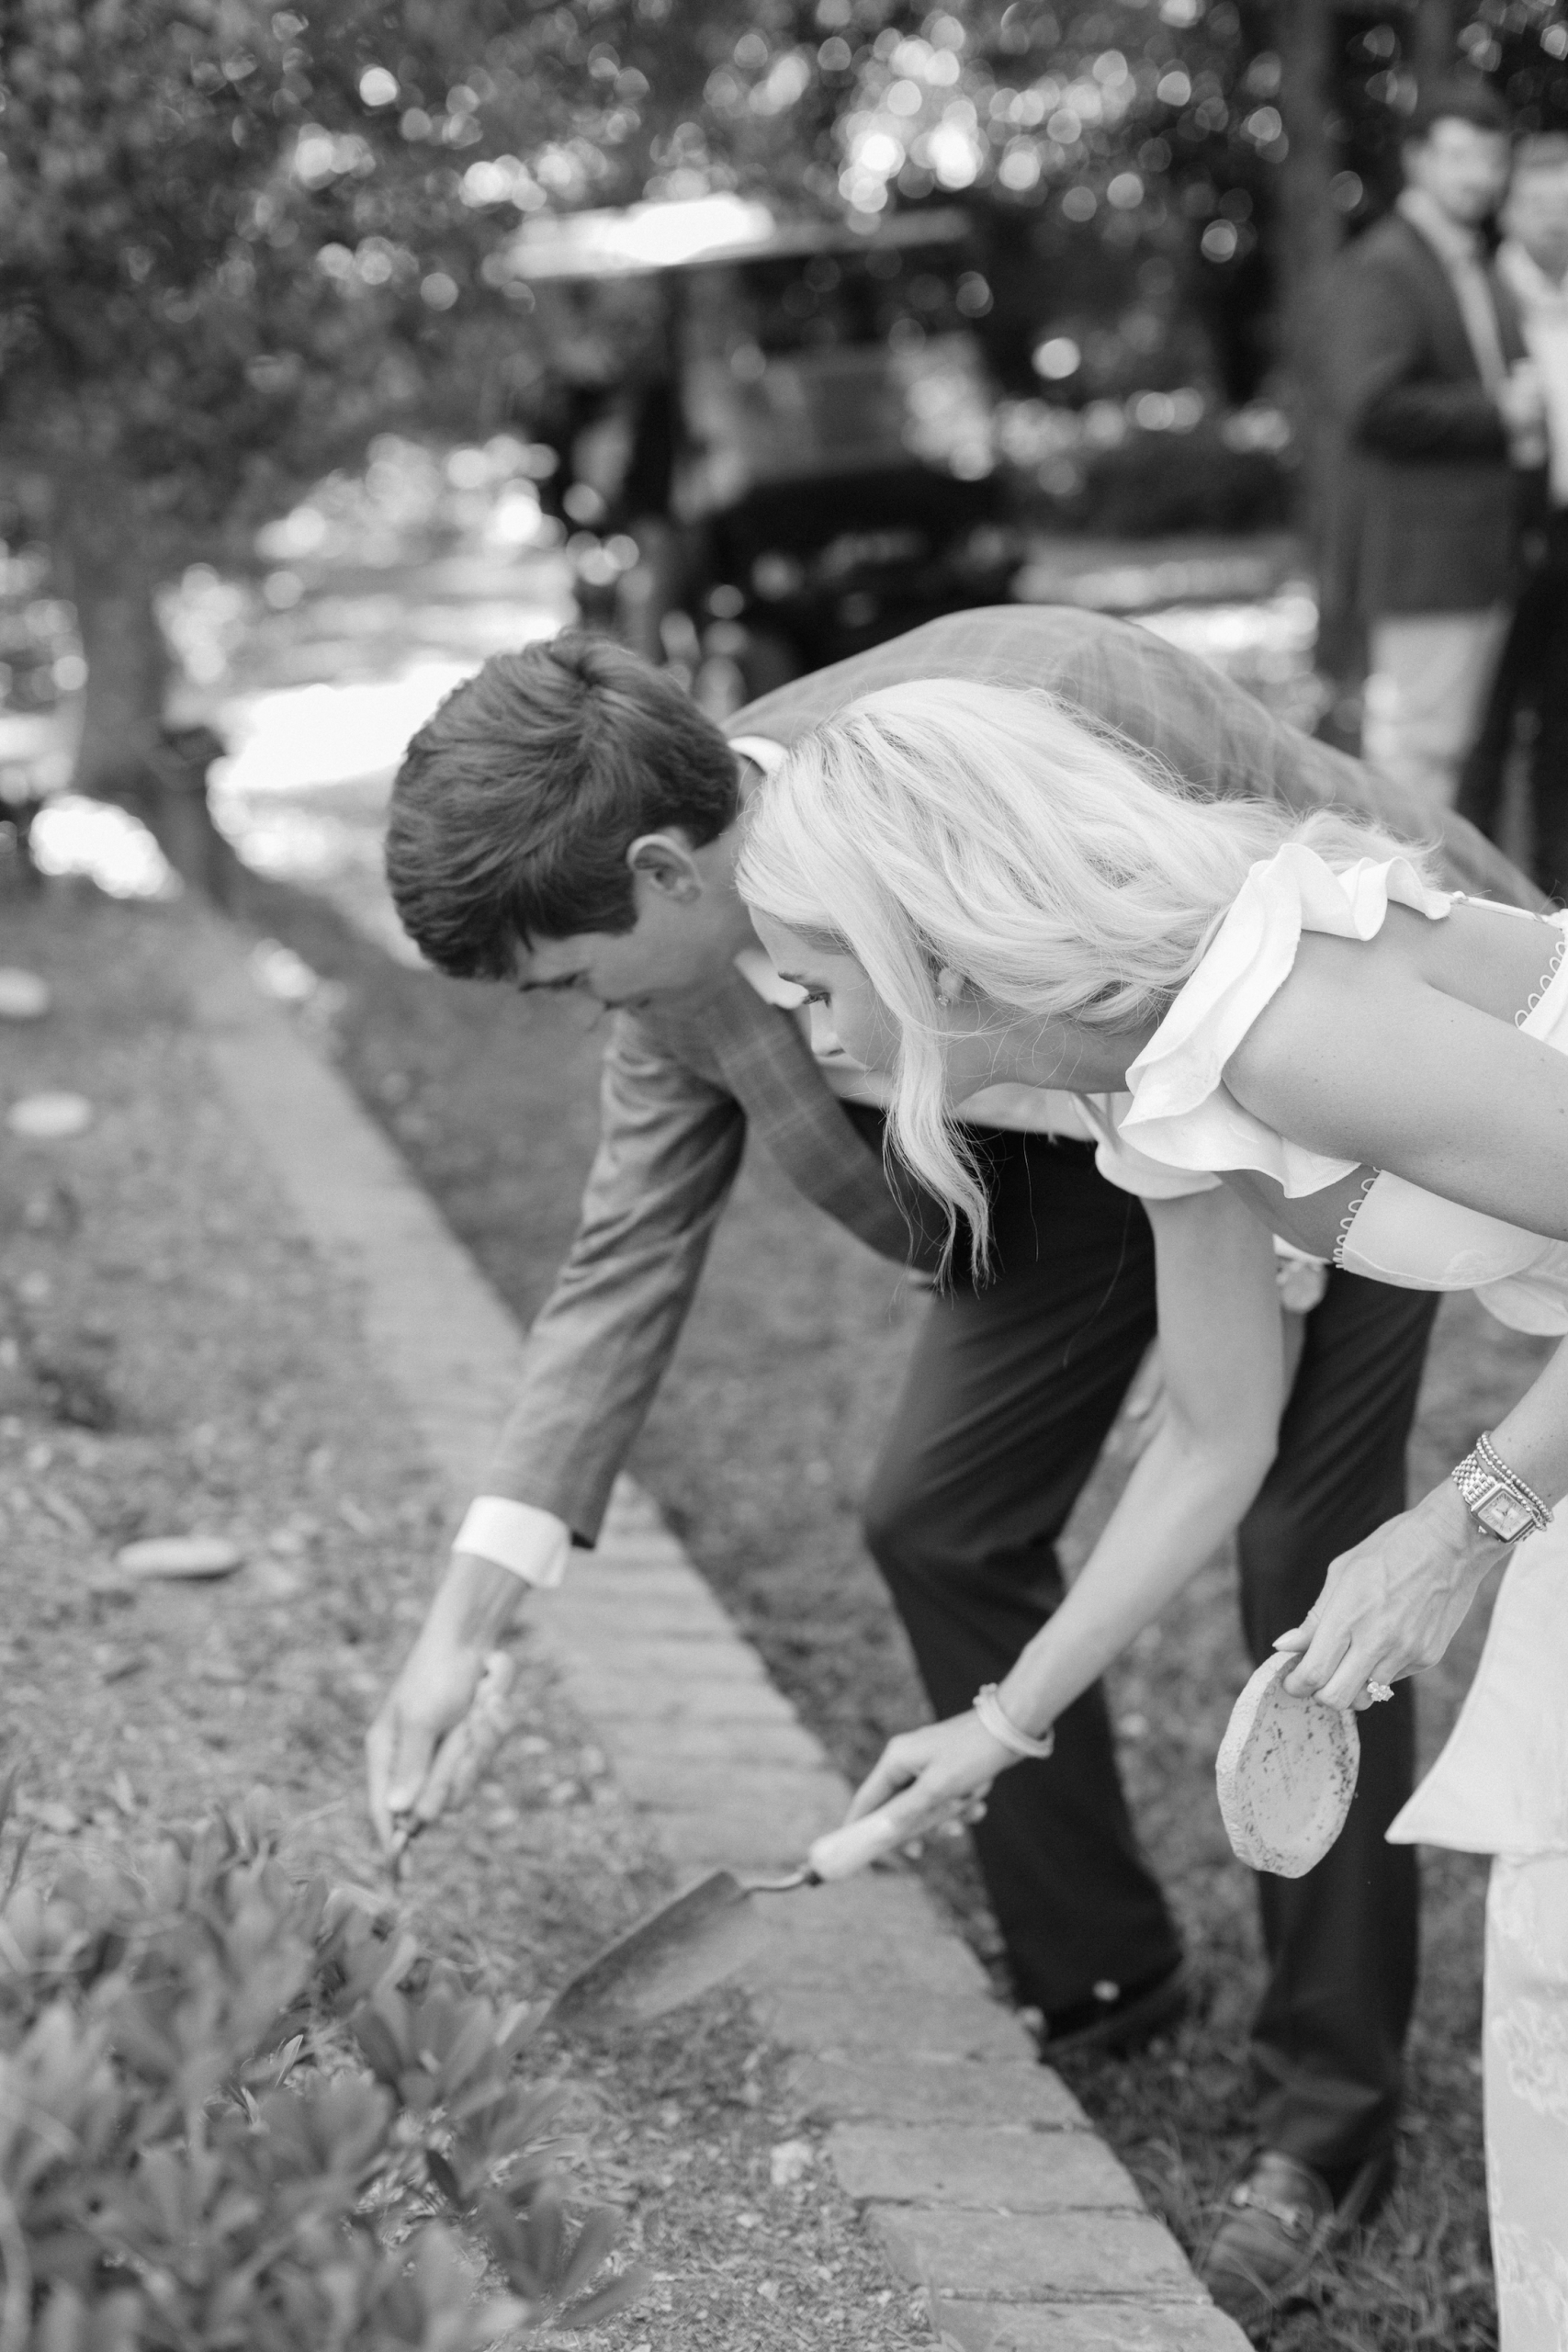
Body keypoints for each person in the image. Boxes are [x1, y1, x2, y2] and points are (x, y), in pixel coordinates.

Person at [366, 614, 1527, 2329]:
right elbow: (627, 1263)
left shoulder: (1035, 714)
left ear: (674, 874)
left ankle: (1325, 2114)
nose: (791, 1023)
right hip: (1094, 1102)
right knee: (935, 1512)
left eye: (570, 980)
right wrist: (469, 1620)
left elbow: (1280, 935)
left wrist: (1446, 1476)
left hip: (1330, 1052)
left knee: (1317, 1550)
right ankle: (1105, 1971)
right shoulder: (777, 985)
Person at [735, 675, 1568, 2351]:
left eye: (819, 978)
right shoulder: (1155, 1076)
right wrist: (1001, 1717)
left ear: (941, 957)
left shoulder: (1284, 1027)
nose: (803, 1027)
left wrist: (1462, 1521)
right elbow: (1212, 1434)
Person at [1330, 78, 1541, 814]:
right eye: (1458, 157)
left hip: (1484, 554)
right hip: (1425, 559)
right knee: (1413, 762)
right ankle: (1392, 913)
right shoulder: (1387, 263)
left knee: (1448, 757)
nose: (1477, 177)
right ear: (1417, 161)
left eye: (1489, 160)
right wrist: (1498, 411)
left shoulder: (1475, 263)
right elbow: (1370, 403)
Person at [1460, 131, 1568, 902]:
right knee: (1484, 722)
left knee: (1559, 720)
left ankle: (1551, 880)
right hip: (1499, 538)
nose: (1554, 221)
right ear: (1509, 208)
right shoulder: (1481, 294)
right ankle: (1475, 885)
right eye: (1537, 204)